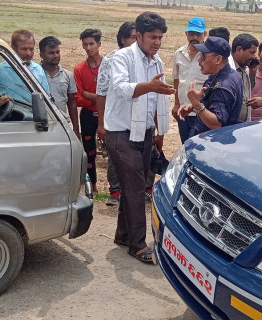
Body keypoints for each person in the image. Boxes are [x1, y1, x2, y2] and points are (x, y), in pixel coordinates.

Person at [104, 12, 175, 263]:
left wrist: (158, 132)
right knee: (135, 187)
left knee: (132, 186)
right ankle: (137, 244)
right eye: (153, 37)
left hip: (144, 133)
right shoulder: (121, 58)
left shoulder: (156, 62)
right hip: (120, 132)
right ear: (138, 35)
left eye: (161, 37)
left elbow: (157, 99)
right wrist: (150, 86)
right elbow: (122, 89)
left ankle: (123, 235)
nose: (157, 42)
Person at [96, 21, 137, 206]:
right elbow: (101, 92)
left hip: (136, 118)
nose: (137, 42)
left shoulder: (143, 60)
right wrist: (101, 123)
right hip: (116, 118)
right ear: (123, 39)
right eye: (133, 38)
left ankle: (134, 191)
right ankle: (115, 191)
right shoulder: (110, 60)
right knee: (115, 155)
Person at [178, 37, 243, 135]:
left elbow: (216, 124)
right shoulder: (230, 74)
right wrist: (192, 106)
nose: (199, 60)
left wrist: (197, 105)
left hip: (214, 144)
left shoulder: (223, 86)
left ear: (218, 59)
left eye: (203, 57)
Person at [74, 28, 103, 194]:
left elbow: (112, 94)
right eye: (85, 44)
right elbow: (78, 99)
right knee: (89, 151)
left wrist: (90, 95)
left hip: (106, 114)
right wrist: (100, 98)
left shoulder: (108, 66)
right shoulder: (79, 69)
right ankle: (92, 183)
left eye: (91, 43)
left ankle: (116, 188)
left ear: (99, 44)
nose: (88, 47)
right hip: (87, 115)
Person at [171, 17, 208, 144]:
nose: (195, 37)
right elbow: (177, 80)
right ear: (186, 34)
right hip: (183, 112)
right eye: (191, 33)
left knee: (194, 147)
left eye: (198, 34)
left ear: (205, 34)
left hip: (201, 111)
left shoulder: (208, 55)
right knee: (185, 146)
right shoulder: (179, 53)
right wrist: (176, 104)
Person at [0, 30, 49, 103]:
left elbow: (45, 98)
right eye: (24, 49)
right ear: (13, 49)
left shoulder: (38, 69)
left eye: (31, 49)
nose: (28, 53)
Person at [39, 36, 80, 139]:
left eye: (58, 52)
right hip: (40, 125)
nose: (56, 55)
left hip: (61, 124)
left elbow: (71, 102)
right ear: (41, 55)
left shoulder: (67, 75)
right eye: (51, 53)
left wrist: (75, 128)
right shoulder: (34, 73)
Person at [229, 33, 259, 122]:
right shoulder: (229, 70)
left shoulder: (245, 68)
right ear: (239, 50)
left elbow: (248, 89)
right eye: (252, 52)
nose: (254, 57)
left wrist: (252, 73)